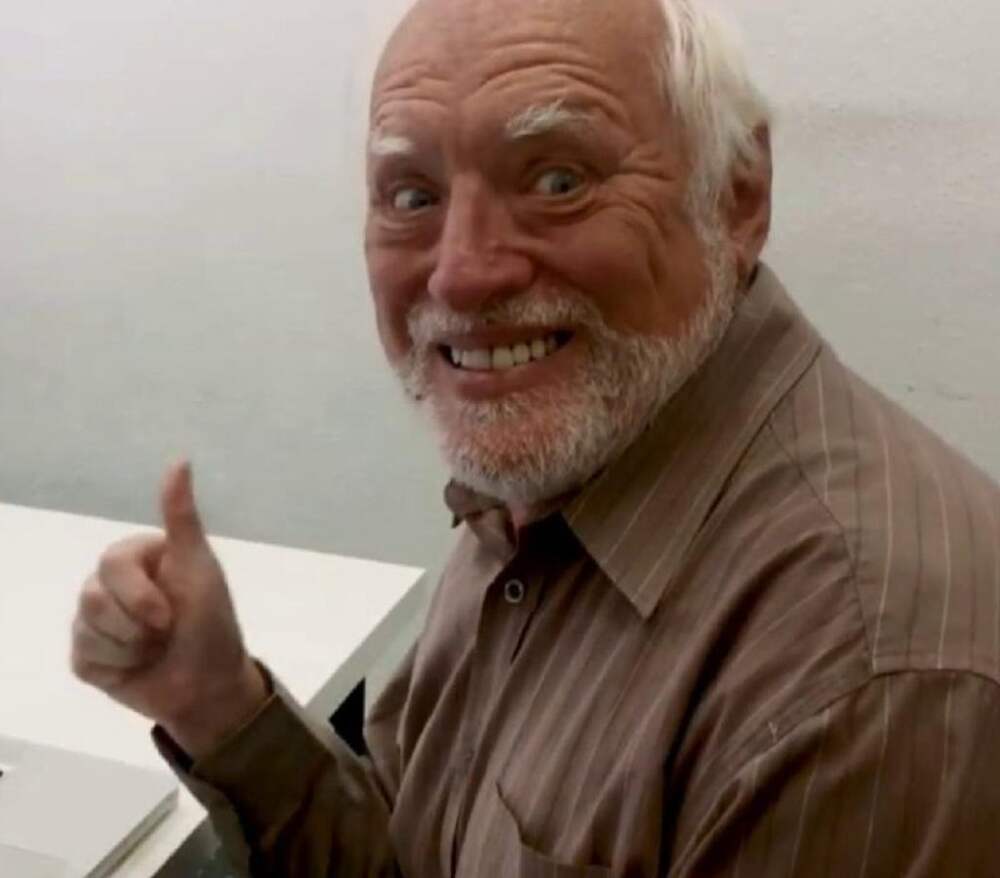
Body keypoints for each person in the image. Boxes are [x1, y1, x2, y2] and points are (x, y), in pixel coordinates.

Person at [71, 0, 1000, 874]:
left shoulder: (861, 679)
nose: (462, 274)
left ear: (736, 195)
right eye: (411, 196)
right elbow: (423, 853)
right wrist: (218, 707)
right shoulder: (567, 471)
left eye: (560, 180)